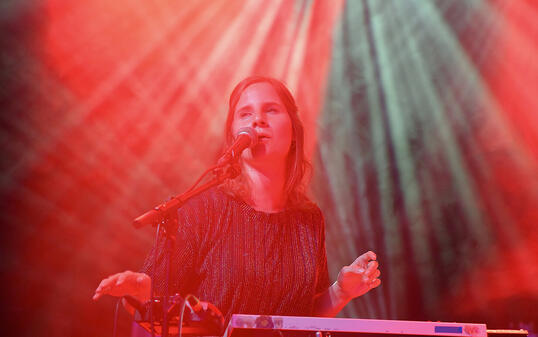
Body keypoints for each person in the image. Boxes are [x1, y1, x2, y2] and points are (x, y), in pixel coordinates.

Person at [93, 76, 381, 322]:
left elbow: (302, 319)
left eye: (271, 110)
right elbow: (158, 304)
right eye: (245, 114)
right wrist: (143, 292)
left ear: (293, 132)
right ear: (233, 135)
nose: (257, 120)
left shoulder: (308, 218)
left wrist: (340, 292)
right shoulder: (202, 209)